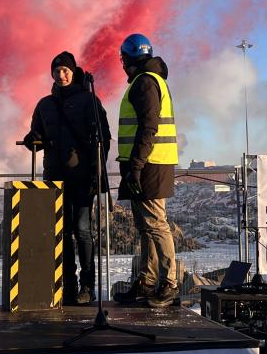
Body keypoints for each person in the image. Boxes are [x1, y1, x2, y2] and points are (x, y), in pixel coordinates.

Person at [24, 51, 111, 305]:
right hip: (54, 177)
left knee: (82, 230)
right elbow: (37, 135)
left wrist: (96, 171)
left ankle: (87, 286)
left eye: (65, 70)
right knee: (61, 232)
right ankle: (68, 285)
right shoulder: (45, 105)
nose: (61, 75)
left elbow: (103, 137)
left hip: (82, 177)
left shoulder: (89, 100)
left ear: (73, 72)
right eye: (57, 71)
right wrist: (32, 139)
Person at [112, 33, 180, 308]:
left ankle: (169, 283)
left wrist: (136, 166)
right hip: (148, 163)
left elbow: (148, 127)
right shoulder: (152, 80)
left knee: (155, 223)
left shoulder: (145, 83)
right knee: (145, 226)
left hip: (149, 164)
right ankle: (147, 281)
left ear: (127, 59)